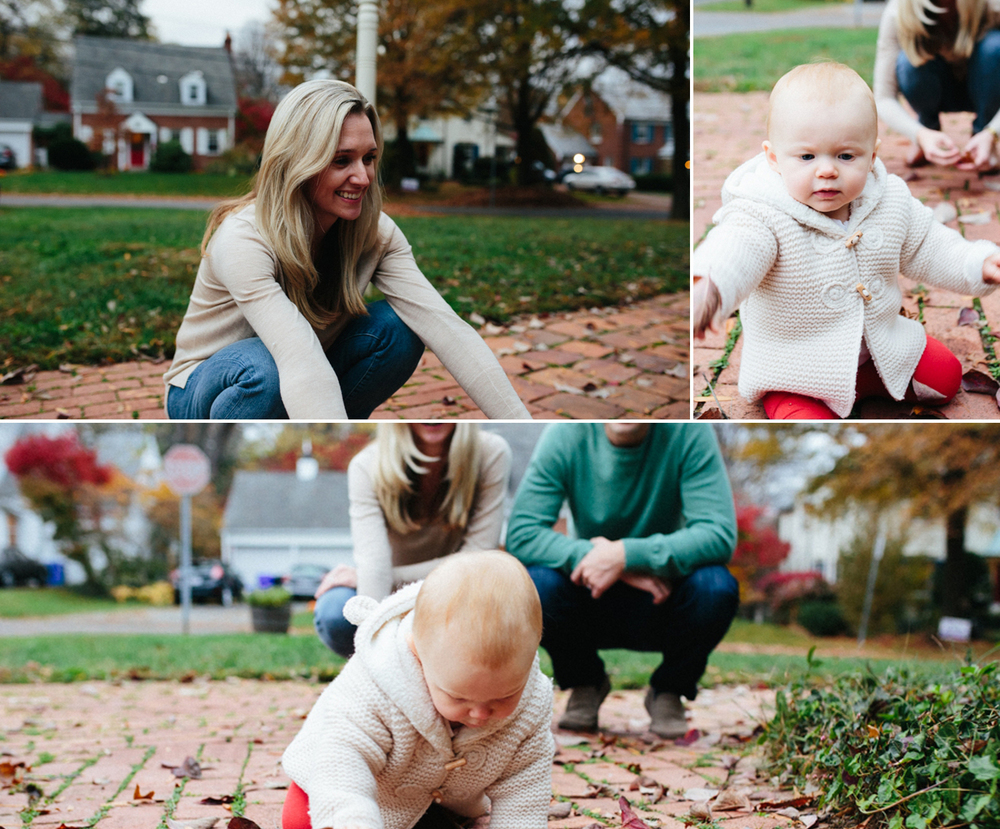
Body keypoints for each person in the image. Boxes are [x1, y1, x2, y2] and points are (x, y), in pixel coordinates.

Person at [163, 79, 529, 420]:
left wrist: (519, 423)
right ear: (296, 162)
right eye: (342, 160)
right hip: (206, 389)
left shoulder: (376, 233)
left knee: (398, 329)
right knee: (265, 367)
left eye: (368, 158)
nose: (363, 177)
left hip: (302, 368)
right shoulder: (243, 239)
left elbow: (448, 329)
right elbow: (295, 354)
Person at [692, 62, 1000, 420]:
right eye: (807, 156)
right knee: (805, 420)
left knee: (945, 376)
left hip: (879, 344)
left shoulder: (889, 200)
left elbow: (930, 245)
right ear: (774, 158)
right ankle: (793, 396)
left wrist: (979, 262)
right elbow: (736, 247)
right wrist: (710, 283)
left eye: (845, 156)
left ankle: (868, 377)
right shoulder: (762, 213)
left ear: (872, 156)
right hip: (798, 366)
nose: (827, 170)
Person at [281, 551, 559, 829]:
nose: (480, 713)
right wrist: (348, 815)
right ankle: (362, 819)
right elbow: (342, 750)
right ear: (418, 651)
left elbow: (525, 776)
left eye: (504, 697)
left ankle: (426, 820)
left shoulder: (531, 699)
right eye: (458, 696)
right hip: (355, 772)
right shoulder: (379, 679)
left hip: (447, 791)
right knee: (301, 828)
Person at [504, 423, 739, 739]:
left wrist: (627, 556)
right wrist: (600, 558)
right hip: (589, 592)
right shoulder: (564, 435)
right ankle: (585, 682)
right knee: (535, 585)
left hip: (662, 596)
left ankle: (668, 690)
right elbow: (522, 533)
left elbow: (719, 534)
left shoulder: (688, 432)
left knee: (716, 587)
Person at [313, 423, 511, 659]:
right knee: (337, 611)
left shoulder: (490, 452)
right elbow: (375, 571)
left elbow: (477, 560)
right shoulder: (366, 466)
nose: (432, 418)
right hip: (387, 593)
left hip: (456, 594)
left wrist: (380, 575)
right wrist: (372, 654)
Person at [874, 0, 1000, 170]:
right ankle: (928, 132)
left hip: (986, 85)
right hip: (935, 88)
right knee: (908, 61)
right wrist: (919, 133)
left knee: (994, 48)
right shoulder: (898, 9)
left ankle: (983, 138)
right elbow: (883, 96)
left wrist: (993, 131)